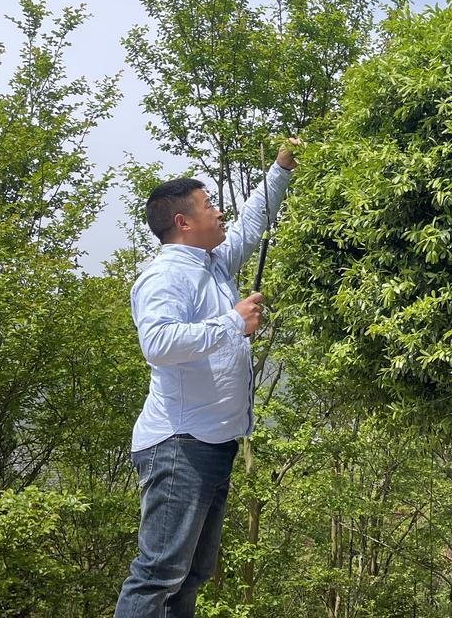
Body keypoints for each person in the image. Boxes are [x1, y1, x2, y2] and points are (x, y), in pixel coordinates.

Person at [114, 140, 299, 618]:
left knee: (192, 575)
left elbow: (252, 223)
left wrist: (280, 169)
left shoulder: (213, 264)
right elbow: (158, 343)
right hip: (178, 445)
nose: (219, 212)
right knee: (158, 574)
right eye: (209, 205)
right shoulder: (164, 277)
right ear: (183, 222)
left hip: (214, 443)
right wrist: (233, 322)